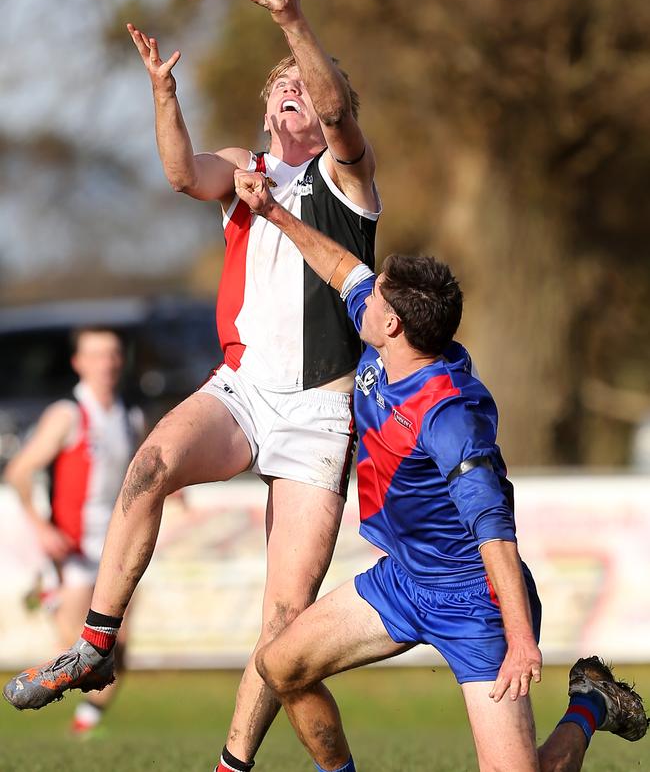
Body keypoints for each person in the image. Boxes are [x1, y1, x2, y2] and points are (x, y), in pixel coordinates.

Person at [3, 0, 380, 772]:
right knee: (149, 466)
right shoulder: (245, 173)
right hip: (243, 391)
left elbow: (340, 105)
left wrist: (292, 25)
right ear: (266, 105)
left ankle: (232, 763)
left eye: (305, 85)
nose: (294, 90)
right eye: (281, 80)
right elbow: (180, 172)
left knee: (284, 625)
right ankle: (97, 643)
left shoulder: (348, 181)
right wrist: (163, 95)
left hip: (319, 412)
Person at [236, 170, 646, 771]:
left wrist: (521, 639)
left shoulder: (449, 414)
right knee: (281, 666)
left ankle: (588, 706)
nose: (364, 294)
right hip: (403, 580)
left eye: (376, 296)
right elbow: (340, 267)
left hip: (475, 602)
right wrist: (273, 212)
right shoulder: (389, 347)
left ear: (394, 324)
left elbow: (494, 529)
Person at [3, 327, 143, 736]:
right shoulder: (68, 414)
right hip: (73, 550)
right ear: (78, 363)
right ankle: (49, 597)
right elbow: (19, 471)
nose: (107, 363)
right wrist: (41, 526)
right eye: (96, 355)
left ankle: (83, 728)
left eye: (113, 354)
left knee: (116, 650)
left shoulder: (130, 416)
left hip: (116, 545)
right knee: (79, 649)